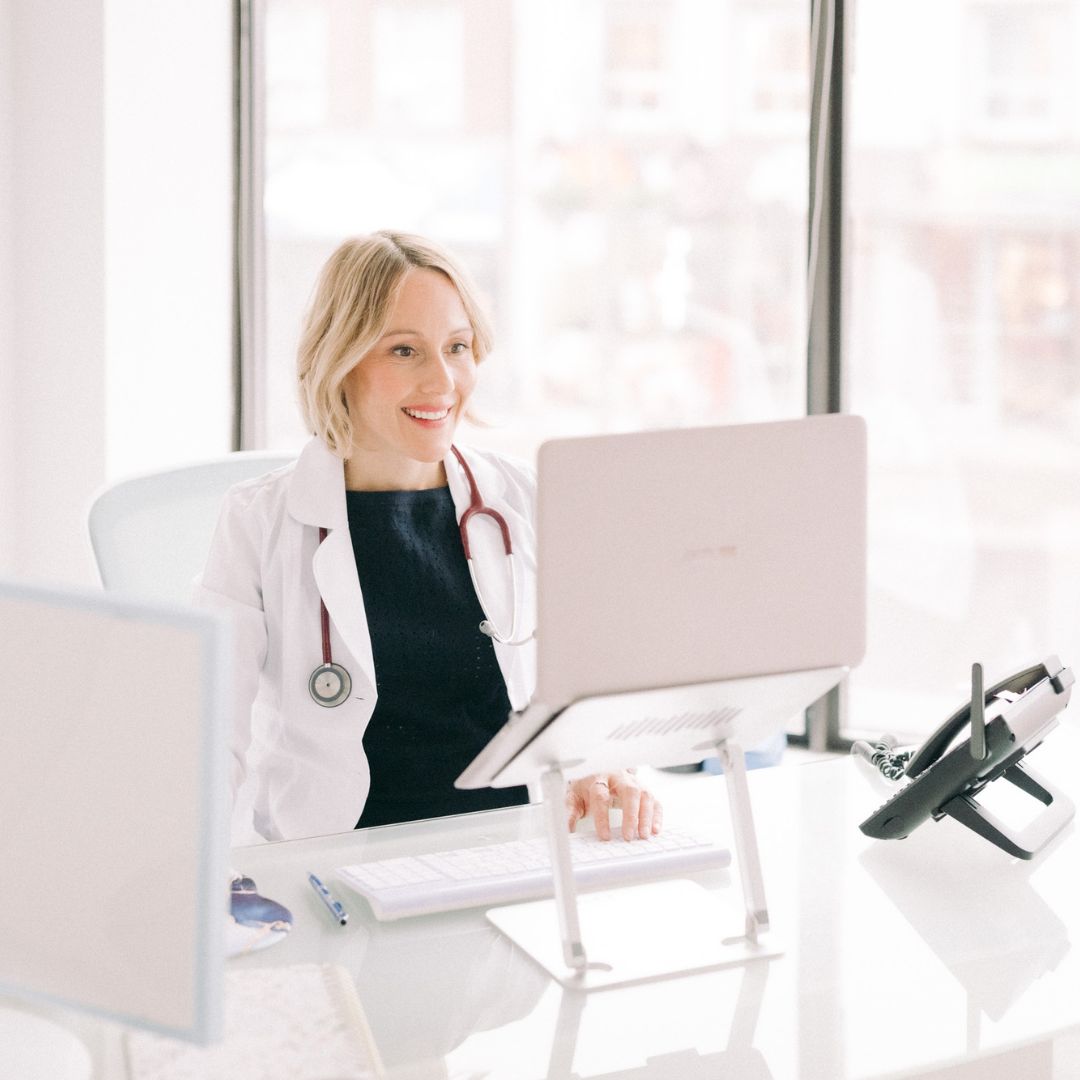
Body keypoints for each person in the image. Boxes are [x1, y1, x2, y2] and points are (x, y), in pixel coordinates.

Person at [195, 231, 663, 845]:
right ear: (340, 360)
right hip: (333, 863)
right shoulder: (258, 522)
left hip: (508, 848)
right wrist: (198, 888)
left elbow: (592, 687)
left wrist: (602, 764)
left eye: (458, 346)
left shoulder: (522, 500)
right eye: (403, 352)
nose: (442, 380)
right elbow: (206, 744)